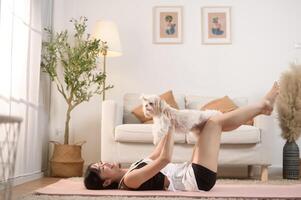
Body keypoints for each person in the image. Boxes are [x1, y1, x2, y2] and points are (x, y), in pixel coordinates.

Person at [84, 82, 279, 191]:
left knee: (210, 122)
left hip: (191, 172)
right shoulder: (130, 180)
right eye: (102, 169)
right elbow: (165, 159)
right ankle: (262, 106)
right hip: (197, 181)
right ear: (107, 182)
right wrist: (170, 124)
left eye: (101, 162)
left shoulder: (131, 169)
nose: (106, 163)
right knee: (214, 123)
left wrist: (163, 116)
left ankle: (263, 108)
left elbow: (157, 152)